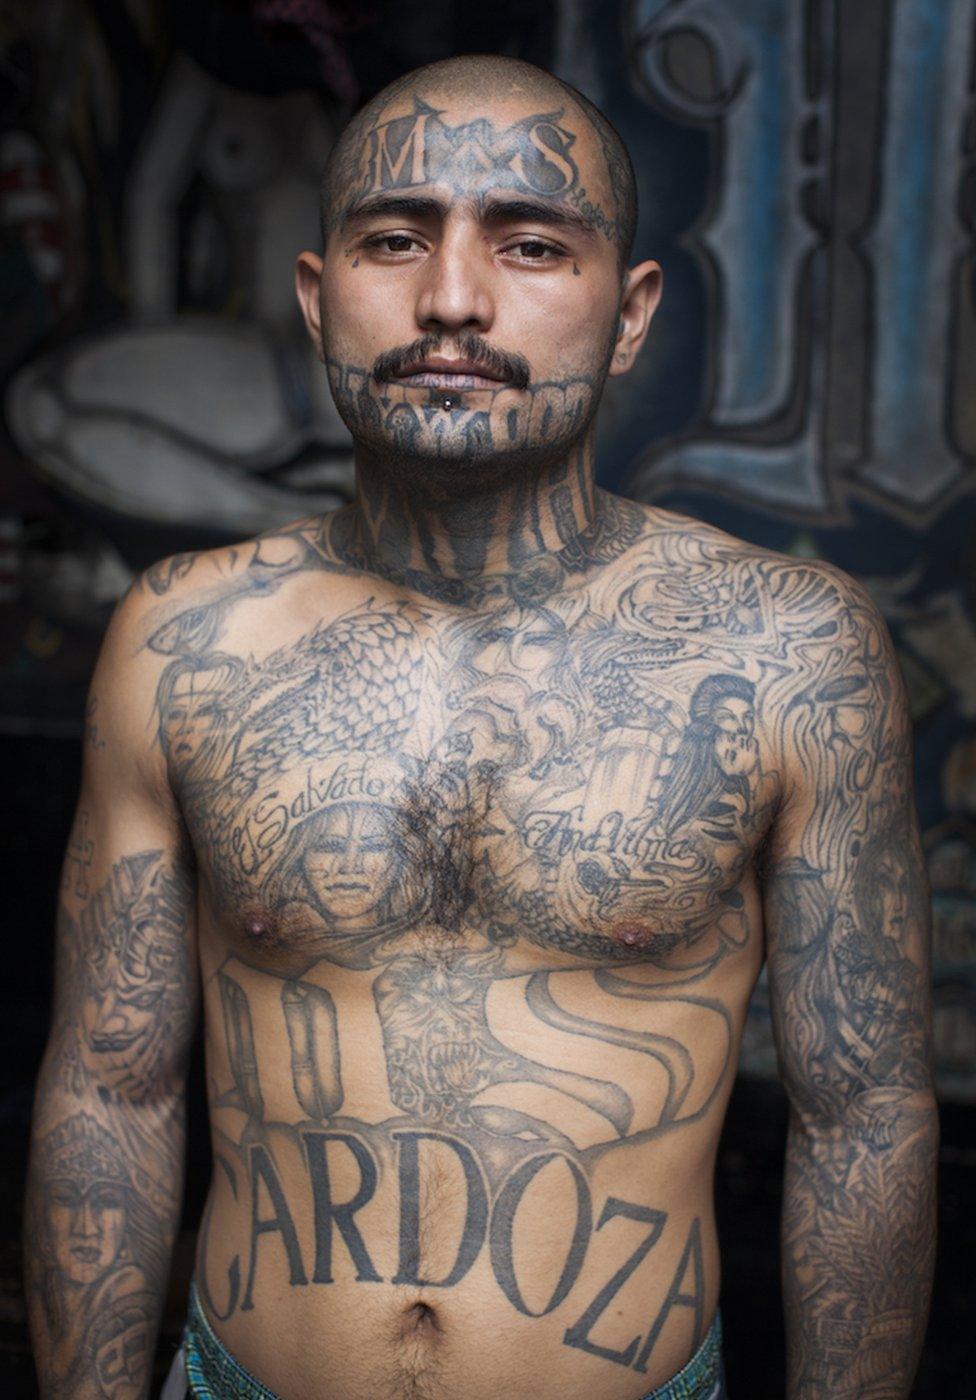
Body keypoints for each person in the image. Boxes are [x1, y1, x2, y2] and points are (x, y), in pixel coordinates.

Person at [25, 53, 937, 1400]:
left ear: (629, 317)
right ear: (317, 292)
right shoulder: (184, 640)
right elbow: (113, 1092)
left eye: (531, 245)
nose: (452, 300)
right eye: (395, 240)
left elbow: (863, 1121)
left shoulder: (786, 648)